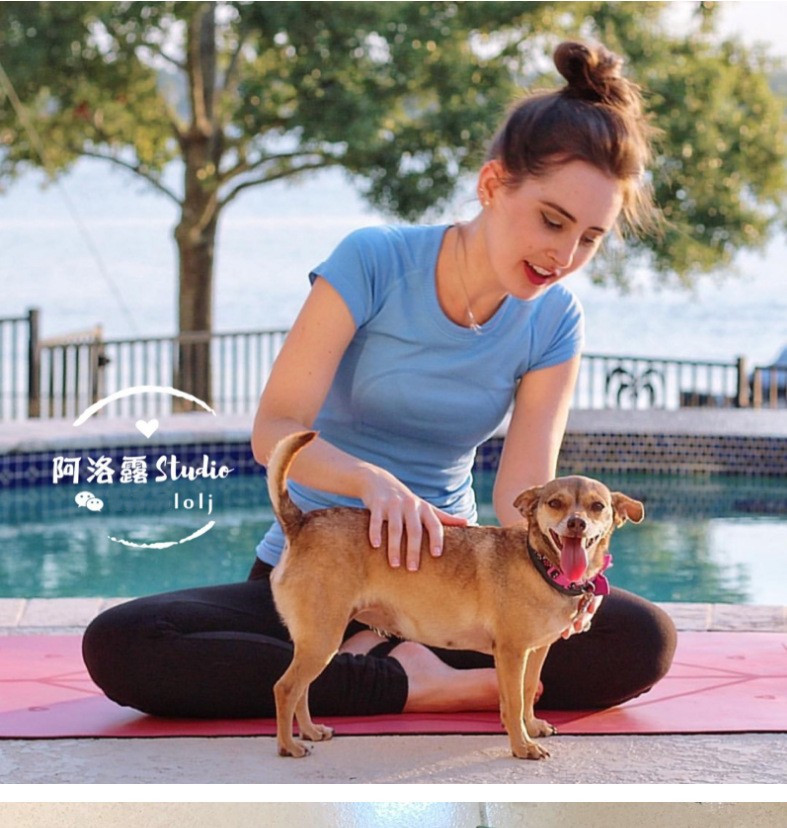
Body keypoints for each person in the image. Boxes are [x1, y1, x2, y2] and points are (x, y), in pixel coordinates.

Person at [83, 40, 676, 720]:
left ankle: (391, 666)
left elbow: (523, 495)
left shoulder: (554, 321)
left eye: (590, 238)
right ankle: (407, 685)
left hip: (451, 595)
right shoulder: (372, 260)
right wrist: (374, 486)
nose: (563, 255)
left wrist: (570, 571)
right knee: (126, 643)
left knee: (640, 639)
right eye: (551, 220)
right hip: (327, 571)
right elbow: (273, 429)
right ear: (491, 185)